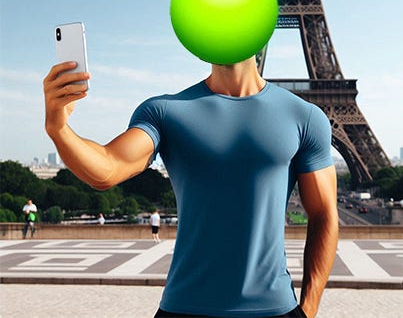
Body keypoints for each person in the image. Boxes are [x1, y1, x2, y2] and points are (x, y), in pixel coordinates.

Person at [43, 56, 338, 317]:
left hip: (271, 308)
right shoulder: (164, 111)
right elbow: (107, 169)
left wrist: (308, 310)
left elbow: (324, 214)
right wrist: (59, 129)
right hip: (184, 309)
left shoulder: (306, 117)